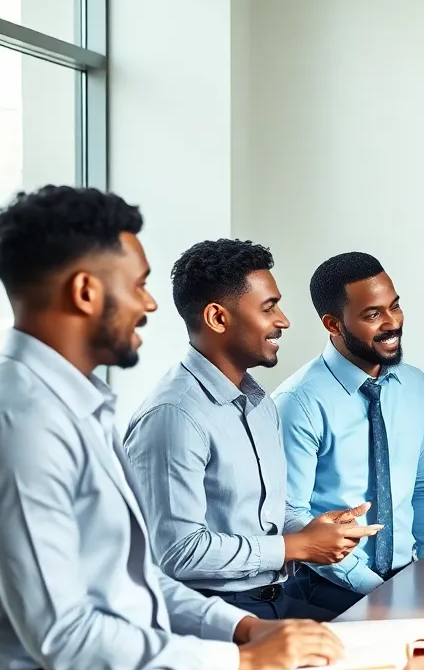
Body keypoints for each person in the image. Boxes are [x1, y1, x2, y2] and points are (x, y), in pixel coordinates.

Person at [0, 186, 343, 670]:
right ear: (85, 291)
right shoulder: (22, 422)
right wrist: (239, 660)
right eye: (139, 283)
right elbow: (66, 636)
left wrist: (245, 630)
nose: (150, 304)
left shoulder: (77, 404)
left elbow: (143, 582)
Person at [124, 239, 378, 622]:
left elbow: (263, 521)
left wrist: (312, 530)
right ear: (217, 318)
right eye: (268, 307)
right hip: (210, 616)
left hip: (277, 599)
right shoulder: (173, 416)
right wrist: (297, 546)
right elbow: (179, 552)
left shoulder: (260, 404)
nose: (284, 320)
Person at [275, 252, 424, 616]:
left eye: (394, 306)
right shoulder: (298, 402)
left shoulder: (416, 386)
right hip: (325, 590)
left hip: (409, 584)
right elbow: (291, 514)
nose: (392, 322)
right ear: (333, 324)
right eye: (372, 314)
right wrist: (376, 589)